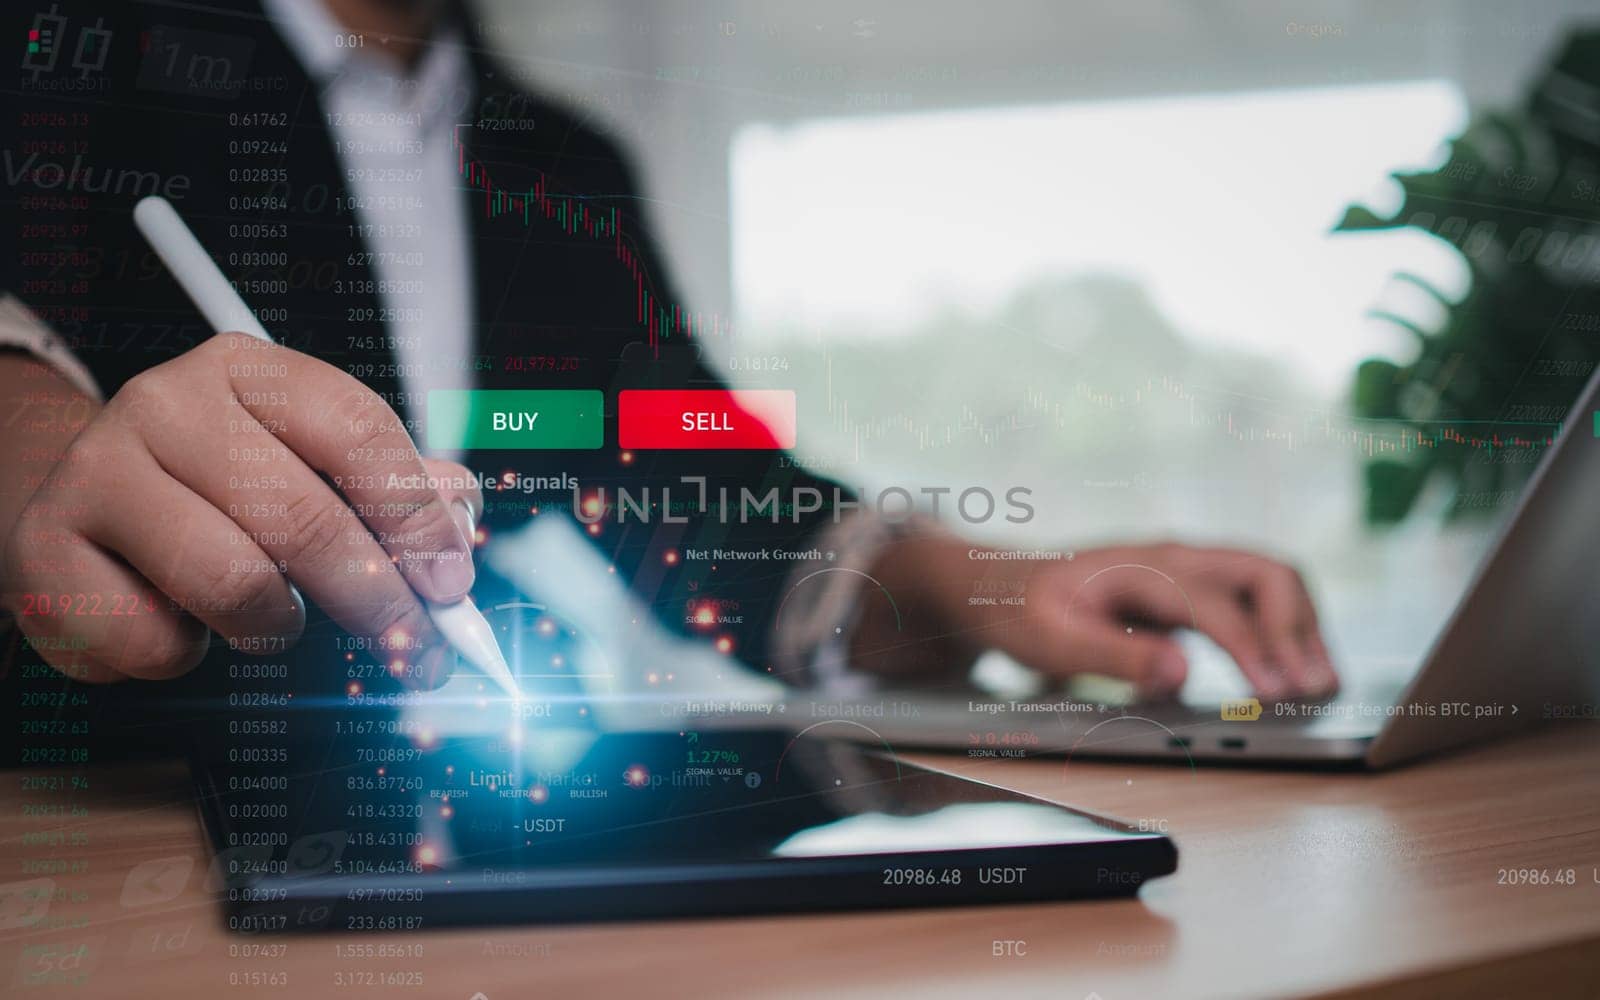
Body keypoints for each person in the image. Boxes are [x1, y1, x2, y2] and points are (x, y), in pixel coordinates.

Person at [0, 0, 1335, 758]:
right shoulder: (59, 65)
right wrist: (37, 435)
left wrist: (981, 587)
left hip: (489, 863)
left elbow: (684, 465)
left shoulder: (560, 166)